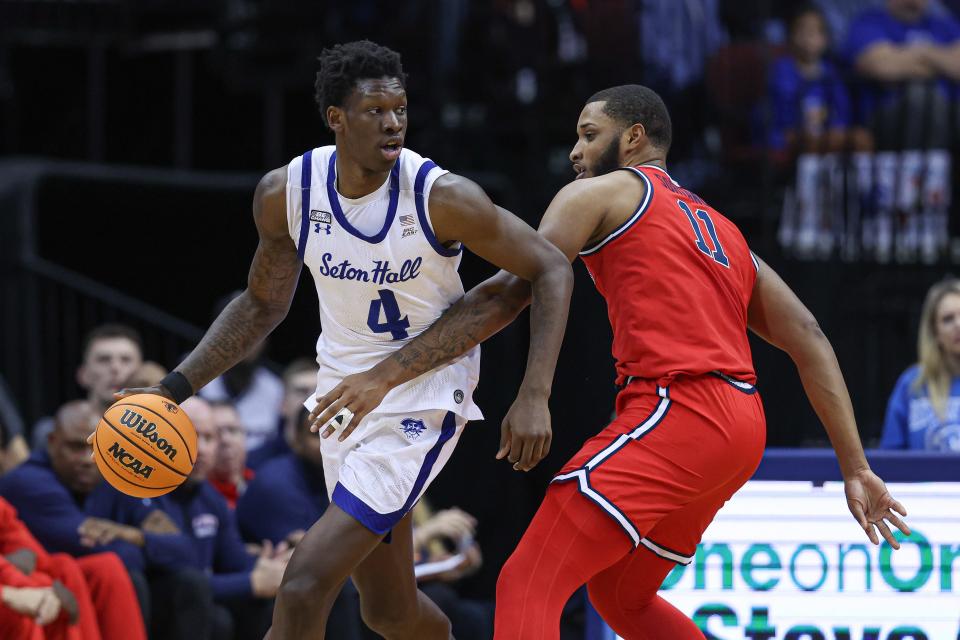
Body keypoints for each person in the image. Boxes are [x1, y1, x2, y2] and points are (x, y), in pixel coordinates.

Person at [327, 84, 912, 638]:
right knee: (621, 598)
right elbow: (809, 334)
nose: (575, 151)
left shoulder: (599, 193)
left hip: (679, 409)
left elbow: (510, 291)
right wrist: (855, 466)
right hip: (740, 426)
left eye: (587, 134)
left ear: (633, 137)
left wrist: (392, 372)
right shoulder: (725, 231)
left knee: (525, 581)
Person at [116, 39, 572, 639]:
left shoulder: (442, 197)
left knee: (304, 583)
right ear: (336, 118)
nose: (393, 124)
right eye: (374, 111)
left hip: (424, 393)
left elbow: (549, 268)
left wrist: (534, 393)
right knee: (387, 610)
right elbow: (259, 305)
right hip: (343, 392)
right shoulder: (287, 194)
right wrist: (172, 388)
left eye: (401, 109)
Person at [88, 397, 287, 640]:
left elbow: (233, 558)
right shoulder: (139, 485)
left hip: (194, 603)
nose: (201, 449)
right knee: (200, 595)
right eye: (190, 436)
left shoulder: (209, 498)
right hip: (148, 610)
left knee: (264, 603)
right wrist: (250, 582)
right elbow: (186, 561)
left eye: (209, 438)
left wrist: (268, 566)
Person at [32, 324, 143, 450]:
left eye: (126, 360)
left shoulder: (163, 432)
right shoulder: (53, 432)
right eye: (104, 360)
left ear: (142, 371)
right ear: (83, 374)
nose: (115, 368)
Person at [881, 277, 960, 451]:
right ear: (935, 332)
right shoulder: (912, 384)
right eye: (948, 319)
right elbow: (890, 458)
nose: (958, 324)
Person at [209, 401, 254, 508]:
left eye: (232, 430)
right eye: (216, 432)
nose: (226, 440)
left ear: (244, 435)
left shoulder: (261, 484)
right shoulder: (196, 497)